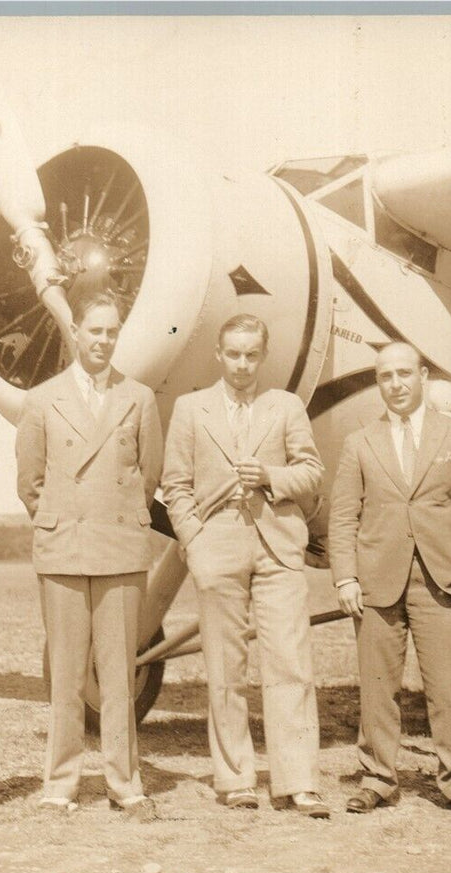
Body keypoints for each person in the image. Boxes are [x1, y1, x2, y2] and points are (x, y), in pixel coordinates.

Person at [161, 314, 329, 818]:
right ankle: (235, 779)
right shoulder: (190, 409)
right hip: (218, 547)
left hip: (277, 547)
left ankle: (298, 782)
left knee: (291, 664)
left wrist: (272, 475)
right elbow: (175, 486)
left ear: (263, 356)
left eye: (250, 355)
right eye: (232, 353)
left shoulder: (286, 406)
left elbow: (313, 472)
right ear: (218, 353)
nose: (241, 364)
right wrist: (195, 543)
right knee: (225, 668)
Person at [329, 341, 451, 817]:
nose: (396, 384)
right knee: (378, 686)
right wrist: (346, 578)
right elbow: (342, 517)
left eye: (405, 373)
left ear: (423, 375)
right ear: (378, 383)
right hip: (377, 582)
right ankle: (378, 777)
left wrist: (448, 540)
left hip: (441, 581)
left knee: (447, 685)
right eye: (386, 376)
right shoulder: (359, 442)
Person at [15, 291, 163, 822]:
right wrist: (65, 515)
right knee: (66, 677)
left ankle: (126, 786)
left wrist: (112, 516)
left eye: (112, 332)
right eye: (94, 330)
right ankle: (60, 785)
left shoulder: (139, 398)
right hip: (63, 551)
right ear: (75, 331)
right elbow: (30, 483)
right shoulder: (41, 400)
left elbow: (147, 479)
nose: (103, 341)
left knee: (120, 677)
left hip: (120, 549)